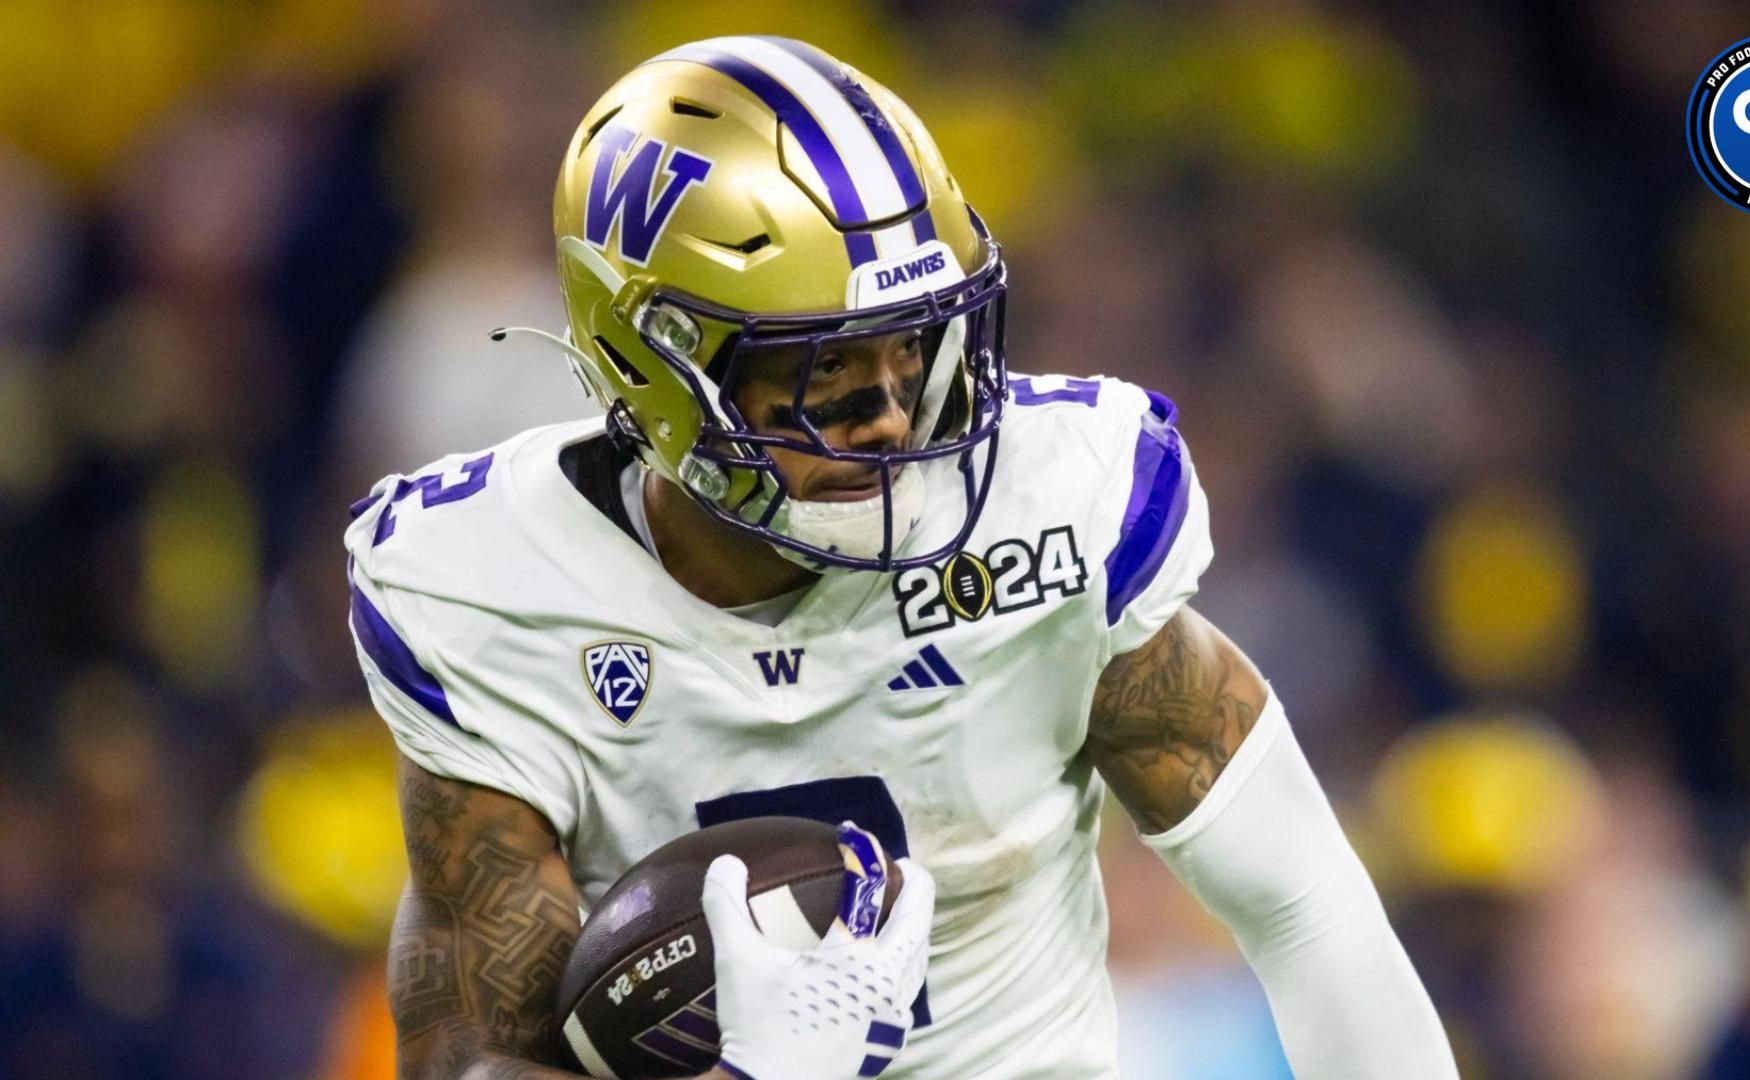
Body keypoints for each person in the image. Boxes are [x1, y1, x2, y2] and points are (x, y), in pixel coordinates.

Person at [349, 35, 1457, 1080]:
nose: (889, 418)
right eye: (824, 368)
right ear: (654, 366)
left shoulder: (1049, 510)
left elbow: (1306, 900)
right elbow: (475, 1057)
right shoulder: (492, 592)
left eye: (915, 347)